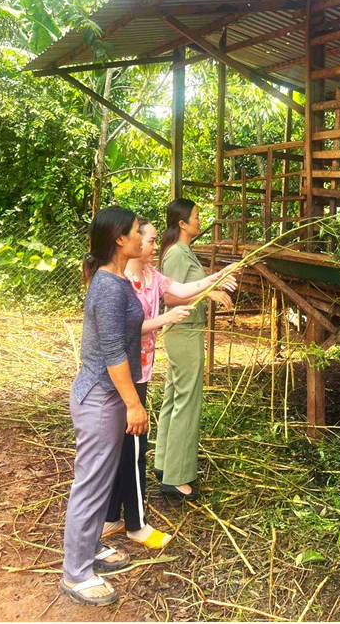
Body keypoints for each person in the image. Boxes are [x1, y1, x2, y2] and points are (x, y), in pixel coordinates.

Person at [60, 207, 235, 607]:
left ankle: (87, 552)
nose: (146, 238)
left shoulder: (118, 281)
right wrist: (132, 404)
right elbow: (111, 353)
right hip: (103, 397)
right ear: (120, 239)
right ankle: (75, 573)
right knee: (90, 484)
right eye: (139, 232)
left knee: (102, 479)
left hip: (109, 395)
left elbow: (127, 331)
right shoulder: (107, 287)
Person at [101, 217, 236, 549]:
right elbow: (122, 332)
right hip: (123, 372)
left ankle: (109, 518)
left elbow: (183, 289)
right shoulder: (118, 282)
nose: (150, 245)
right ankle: (136, 525)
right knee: (134, 448)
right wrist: (166, 318)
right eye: (146, 240)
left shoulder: (151, 276)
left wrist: (219, 276)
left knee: (123, 447)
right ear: (127, 243)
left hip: (142, 369)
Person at [154, 198, 235, 499]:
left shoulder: (182, 251)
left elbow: (186, 289)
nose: (201, 221)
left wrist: (212, 287)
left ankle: (164, 464)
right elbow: (171, 299)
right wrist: (210, 293)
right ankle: (176, 478)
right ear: (182, 224)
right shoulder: (176, 253)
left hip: (185, 332)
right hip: (184, 333)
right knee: (187, 402)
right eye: (197, 217)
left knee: (174, 398)